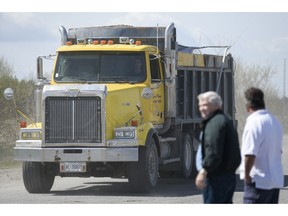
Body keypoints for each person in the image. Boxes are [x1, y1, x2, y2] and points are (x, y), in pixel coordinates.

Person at [195, 91, 241, 203]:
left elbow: (213, 152)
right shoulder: (225, 120)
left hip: (216, 179)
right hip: (227, 177)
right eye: (200, 105)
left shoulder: (214, 124)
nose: (201, 108)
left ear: (216, 105)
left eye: (205, 105)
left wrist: (203, 171)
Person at [240, 87, 284, 204]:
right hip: (275, 181)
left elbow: (250, 154)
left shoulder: (254, 123)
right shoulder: (275, 122)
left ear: (247, 105)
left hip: (259, 182)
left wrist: (247, 175)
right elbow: (278, 151)